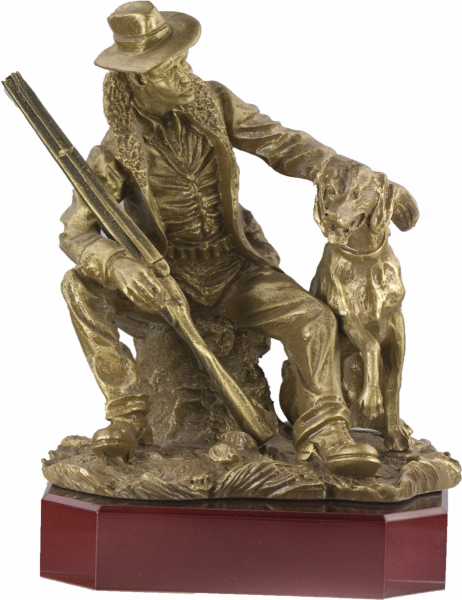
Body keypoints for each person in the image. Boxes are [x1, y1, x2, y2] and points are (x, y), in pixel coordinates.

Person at [60, 2, 417, 476]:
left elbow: (282, 143)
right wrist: (118, 264)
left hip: (234, 269)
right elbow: (77, 233)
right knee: (77, 286)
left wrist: (338, 169)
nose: (186, 74)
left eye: (184, 61)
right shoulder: (111, 153)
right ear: (140, 81)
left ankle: (324, 431)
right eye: (171, 68)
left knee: (312, 319)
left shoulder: (215, 103)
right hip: (166, 281)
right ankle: (127, 416)